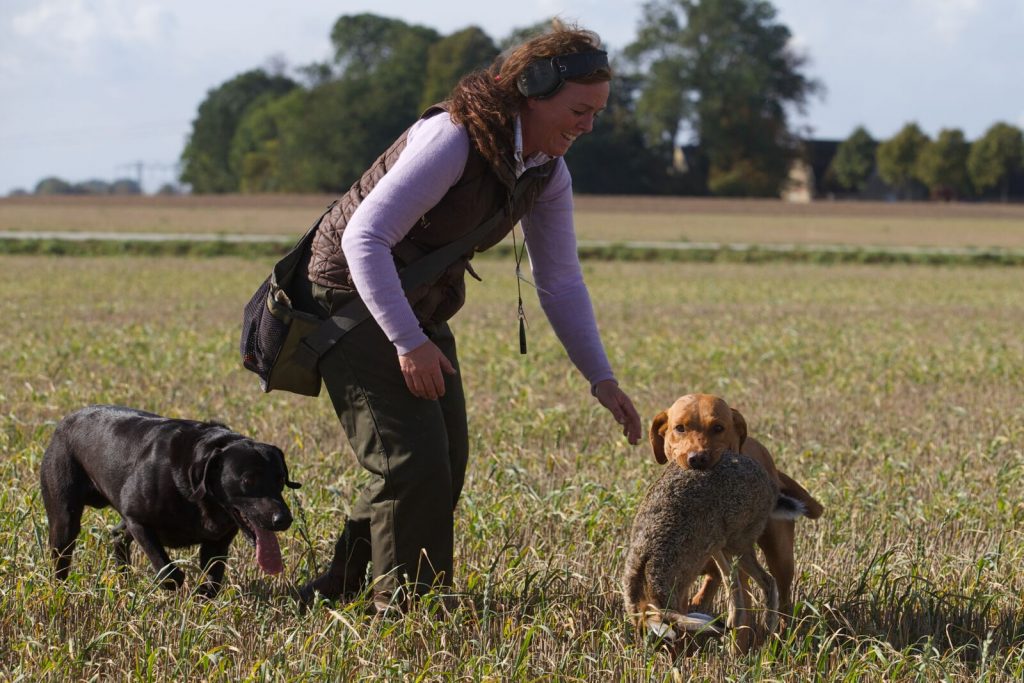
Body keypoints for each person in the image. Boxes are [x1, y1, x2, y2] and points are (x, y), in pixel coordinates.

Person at [294, 23, 642, 611]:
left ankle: (342, 586)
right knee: (412, 462)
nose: (588, 126)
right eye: (579, 110)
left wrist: (600, 378)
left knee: (443, 462)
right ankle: (410, 611)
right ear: (533, 89)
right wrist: (408, 341)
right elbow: (364, 239)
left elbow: (558, 281)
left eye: (597, 114)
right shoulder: (453, 138)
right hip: (348, 297)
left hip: (415, 304)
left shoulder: (545, 171)